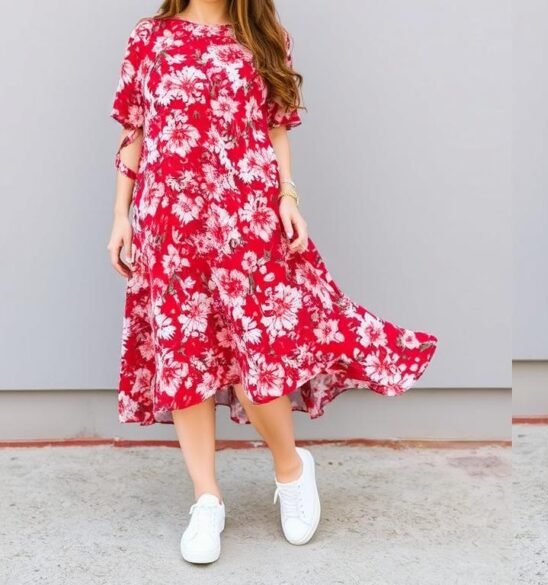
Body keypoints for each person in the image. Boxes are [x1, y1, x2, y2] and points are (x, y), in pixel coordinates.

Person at [106, 0, 438, 564]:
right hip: (170, 220)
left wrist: (288, 197)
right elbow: (134, 133)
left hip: (245, 218)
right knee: (187, 355)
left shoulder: (262, 35)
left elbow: (277, 129)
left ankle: (290, 468)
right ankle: (206, 500)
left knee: (256, 354)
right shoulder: (148, 37)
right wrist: (120, 217)